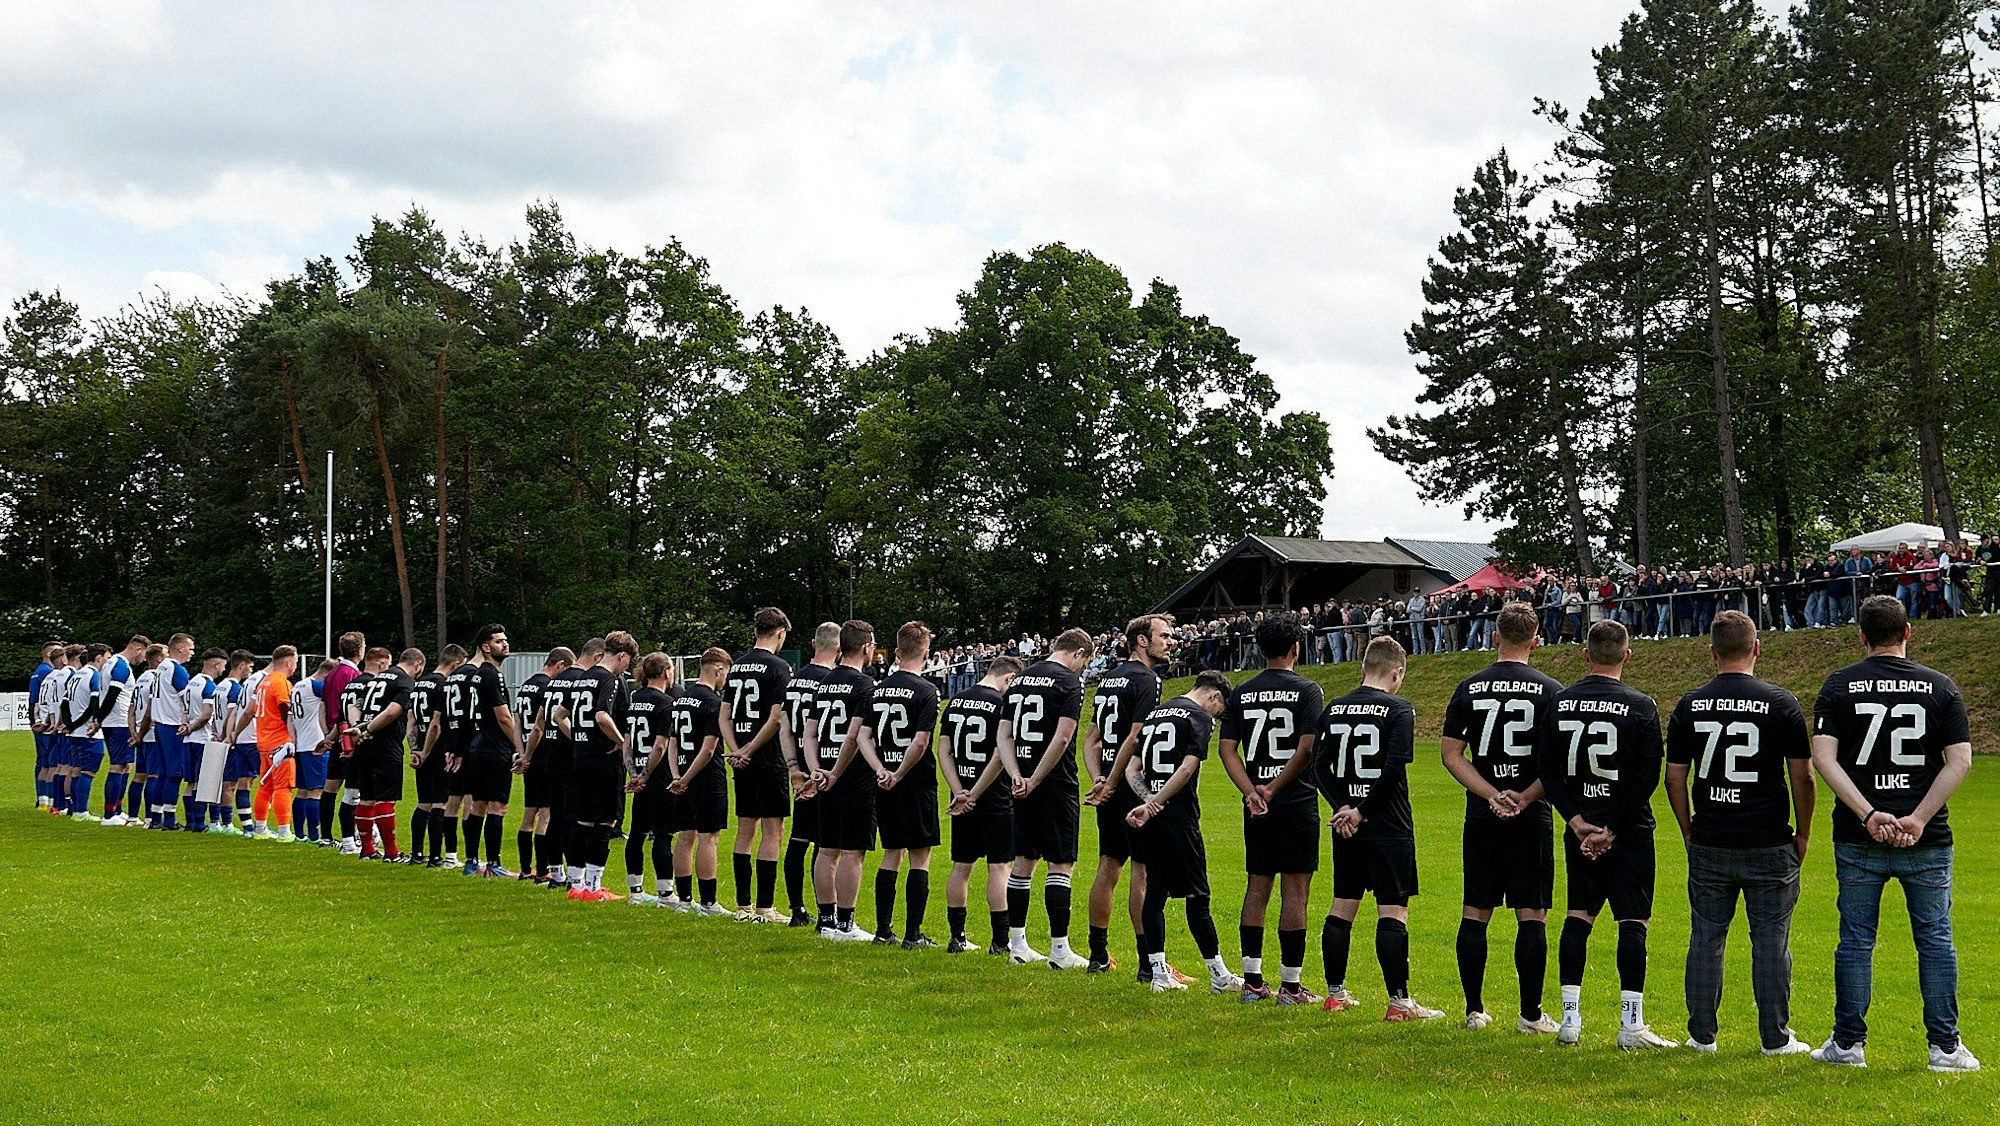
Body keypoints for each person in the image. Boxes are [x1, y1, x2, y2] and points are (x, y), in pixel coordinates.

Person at [1808, 595, 1979, 1072]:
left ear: (1861, 636)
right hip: (1925, 837)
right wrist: (1919, 817)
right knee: (1936, 941)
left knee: (1857, 940)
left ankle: (1848, 1044)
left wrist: (1867, 813)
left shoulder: (1840, 684)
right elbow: (1959, 761)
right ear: (1908, 633)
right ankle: (1944, 1047)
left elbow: (1824, 758)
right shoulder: (1941, 687)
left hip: (1860, 834)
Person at [1663, 610, 1813, 1056]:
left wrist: (1689, 828)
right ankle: (1774, 1038)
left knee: (1706, 938)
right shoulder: (1781, 702)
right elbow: (1802, 778)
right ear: (1756, 649)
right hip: (1768, 837)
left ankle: (1701, 1035)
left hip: (1711, 836)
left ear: (1712, 652)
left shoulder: (1690, 703)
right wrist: (1803, 833)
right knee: (1770, 941)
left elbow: (1674, 777)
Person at [1536, 619, 1672, 1049]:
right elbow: (1648, 775)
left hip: (1580, 829)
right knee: (1632, 921)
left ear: (1585, 654)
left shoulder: (1559, 702)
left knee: (1578, 916)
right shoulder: (1641, 705)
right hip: (1628, 829)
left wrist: (1576, 820)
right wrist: (1611, 827)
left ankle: (1570, 1019)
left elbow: (1547, 771)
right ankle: (1631, 1025)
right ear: (1626, 656)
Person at [1439, 601, 1563, 1034]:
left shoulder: (1469, 686)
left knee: (1476, 911)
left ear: (1494, 637)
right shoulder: (1551, 689)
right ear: (1536, 640)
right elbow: (1559, 760)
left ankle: (1474, 1010)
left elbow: (1451, 754)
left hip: (1483, 811)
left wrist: (1492, 793)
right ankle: (1530, 1015)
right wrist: (1524, 797)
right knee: (1532, 913)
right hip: (1531, 814)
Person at [1316, 637, 1441, 1021]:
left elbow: (1319, 767)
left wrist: (1343, 808)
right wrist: (1363, 810)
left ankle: (1335, 994)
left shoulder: (1335, 707)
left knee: (1343, 905)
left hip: (1346, 825)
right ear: (1397, 672)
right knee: (1393, 910)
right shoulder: (1400, 709)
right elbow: (1393, 767)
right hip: (1387, 823)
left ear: (1362, 668)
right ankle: (1399, 1002)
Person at [1216, 617, 1325, 1006]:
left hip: (1256, 805)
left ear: (1260, 650)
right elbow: (1307, 745)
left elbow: (1227, 749)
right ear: (1296, 647)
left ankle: (1252, 982)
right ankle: (1291, 988)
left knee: (1258, 885)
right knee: (1295, 890)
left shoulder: (1242, 692)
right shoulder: (1308, 689)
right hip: (1294, 799)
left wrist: (1251, 791)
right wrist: (1274, 788)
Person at [1125, 669, 1241, 994]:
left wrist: (1148, 801)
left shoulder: (1155, 714)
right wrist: (1157, 802)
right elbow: (1187, 767)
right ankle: (1219, 975)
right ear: (1215, 697)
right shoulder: (1200, 717)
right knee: (1198, 896)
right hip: (1178, 818)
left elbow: (1134, 769)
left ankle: (1159, 974)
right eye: (1220, 708)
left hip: (1152, 818)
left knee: (1155, 894)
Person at [996, 628, 1096, 965]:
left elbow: (1004, 734)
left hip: (1019, 779)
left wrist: (1016, 776)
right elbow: (1063, 736)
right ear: (1079, 653)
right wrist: (1036, 779)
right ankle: (1059, 949)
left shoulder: (1021, 679)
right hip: (1053, 783)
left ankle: (1017, 946)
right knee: (1060, 862)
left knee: (1024, 861)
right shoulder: (1069, 681)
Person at [1081, 615, 1169, 976]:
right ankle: (1149, 964)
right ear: (1141, 641)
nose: (1171, 640)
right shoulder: (1148, 680)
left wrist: (1099, 779)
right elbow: (1134, 738)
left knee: (1108, 864)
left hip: (1109, 784)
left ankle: (1097, 956)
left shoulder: (1107, 679)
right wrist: (1115, 781)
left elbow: (1091, 739)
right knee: (1142, 870)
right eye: (1164, 635)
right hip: (1130, 783)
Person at [861, 623, 944, 947]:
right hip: (915, 781)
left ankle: (883, 931)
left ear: (896, 652)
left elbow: (863, 737)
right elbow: (921, 742)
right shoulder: (926, 691)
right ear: (926, 653)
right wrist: (898, 771)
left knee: (890, 852)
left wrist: (881, 769)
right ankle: (913, 934)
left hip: (882, 781)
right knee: (919, 856)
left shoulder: (877, 688)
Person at [938, 655, 1025, 954]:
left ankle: (957, 936)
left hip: (959, 794)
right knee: (999, 867)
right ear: (1009, 678)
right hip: (993, 796)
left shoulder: (956, 700)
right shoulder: (1002, 705)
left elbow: (944, 751)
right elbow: (1000, 755)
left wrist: (959, 791)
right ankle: (1000, 941)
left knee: (961, 866)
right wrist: (974, 793)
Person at [803, 620, 879, 940]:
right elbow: (854, 736)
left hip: (824, 774)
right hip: (853, 776)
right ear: (865, 647)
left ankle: (826, 920)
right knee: (852, 852)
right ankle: (846, 923)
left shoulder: (824, 682)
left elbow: (808, 732)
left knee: (827, 848)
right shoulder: (865, 685)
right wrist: (834, 772)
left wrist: (816, 768)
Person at [719, 608, 795, 922]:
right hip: (769, 758)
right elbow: (776, 717)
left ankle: (742, 906)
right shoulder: (780, 667)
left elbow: (723, 716)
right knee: (773, 831)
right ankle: (764, 907)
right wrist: (750, 749)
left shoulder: (736, 667)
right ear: (779, 632)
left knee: (745, 830)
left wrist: (737, 750)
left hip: (742, 761)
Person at [563, 630, 635, 895]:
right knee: (605, 822)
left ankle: (576, 884)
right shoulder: (610, 679)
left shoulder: (582, 678)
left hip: (580, 758)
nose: (627, 667)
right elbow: (602, 716)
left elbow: (560, 716)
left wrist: (580, 739)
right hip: (603, 761)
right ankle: (594, 886)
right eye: (628, 661)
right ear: (622, 655)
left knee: (583, 821)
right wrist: (620, 742)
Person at [778, 623, 838, 926]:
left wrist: (793, 769)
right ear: (839, 649)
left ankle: (797, 909)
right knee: (824, 844)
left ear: (814, 644)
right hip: (826, 769)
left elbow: (784, 727)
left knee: (799, 839)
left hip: (801, 768)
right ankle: (826, 909)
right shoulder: (834, 681)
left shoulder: (795, 680)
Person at [662, 647, 730, 915]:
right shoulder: (713, 703)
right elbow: (709, 748)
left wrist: (677, 776)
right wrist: (688, 778)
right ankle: (708, 902)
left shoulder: (679, 700)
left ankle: (684, 899)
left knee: (684, 836)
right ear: (717, 670)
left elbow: (672, 743)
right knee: (707, 838)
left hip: (680, 775)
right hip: (706, 779)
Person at [348, 647, 421, 861]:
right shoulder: (405, 681)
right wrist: (369, 729)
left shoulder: (375, 679)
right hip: (385, 745)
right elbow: (392, 712)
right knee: (385, 798)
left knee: (367, 797)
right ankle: (391, 852)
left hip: (363, 744)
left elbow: (355, 705)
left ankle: (367, 849)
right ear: (418, 665)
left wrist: (358, 728)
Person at [621, 652, 676, 904]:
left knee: (636, 833)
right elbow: (660, 746)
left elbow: (627, 741)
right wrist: (645, 775)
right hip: (658, 775)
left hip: (638, 774)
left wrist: (633, 772)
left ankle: (635, 890)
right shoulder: (666, 703)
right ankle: (665, 892)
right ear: (665, 671)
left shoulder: (635, 699)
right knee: (663, 834)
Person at [512, 648, 569, 881]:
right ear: (560, 665)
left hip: (527, 752)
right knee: (546, 814)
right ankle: (544, 871)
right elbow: (539, 726)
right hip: (543, 753)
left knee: (529, 814)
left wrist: (521, 754)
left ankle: (525, 869)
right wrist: (531, 754)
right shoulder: (548, 687)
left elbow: (517, 723)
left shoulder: (526, 685)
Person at [319, 632, 366, 851]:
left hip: (333, 733)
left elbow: (322, 707)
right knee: (354, 789)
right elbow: (349, 710)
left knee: (330, 787)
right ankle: (354, 836)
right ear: (359, 650)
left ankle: (326, 836)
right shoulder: (353, 674)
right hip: (346, 735)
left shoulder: (331, 673)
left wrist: (327, 733)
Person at [248, 647, 299, 839]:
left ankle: (260, 828)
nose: (294, 666)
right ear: (287, 662)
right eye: (294, 662)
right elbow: (286, 709)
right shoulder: (281, 683)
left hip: (263, 740)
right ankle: (284, 831)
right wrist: (292, 737)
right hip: (279, 741)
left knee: (265, 786)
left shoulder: (263, 683)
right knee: (282, 787)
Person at [95, 635, 144, 824]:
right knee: (117, 766)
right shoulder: (121, 666)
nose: (144, 659)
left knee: (125, 766)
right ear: (138, 649)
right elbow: (112, 695)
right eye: (144, 654)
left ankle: (117, 809)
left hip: (116, 722)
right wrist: (99, 719)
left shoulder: (111, 662)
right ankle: (109, 815)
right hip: (118, 722)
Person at [149, 633, 194, 830]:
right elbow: (188, 700)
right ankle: (169, 819)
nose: (192, 653)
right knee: (174, 774)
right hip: (172, 725)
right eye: (191, 649)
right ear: (181, 648)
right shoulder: (177, 669)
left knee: (163, 773)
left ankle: (155, 817)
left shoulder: (160, 668)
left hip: (159, 724)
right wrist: (187, 720)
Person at [288, 658, 336, 845]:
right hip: (316, 745)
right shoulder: (317, 686)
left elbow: (290, 717)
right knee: (316, 791)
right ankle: (314, 836)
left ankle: (300, 834)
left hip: (301, 745)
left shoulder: (298, 685)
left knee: (302, 791)